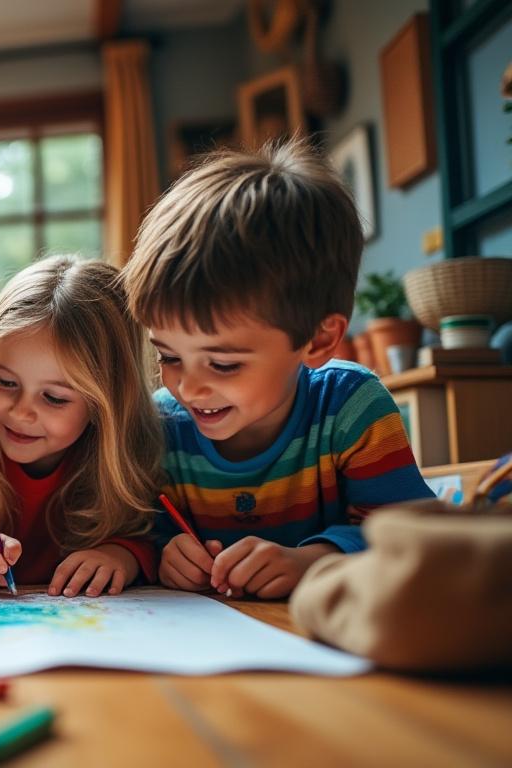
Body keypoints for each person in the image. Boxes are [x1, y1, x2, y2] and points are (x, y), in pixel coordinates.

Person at [119, 137, 434, 599]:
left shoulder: (350, 407)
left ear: (318, 340)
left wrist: (314, 560)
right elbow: (143, 528)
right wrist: (164, 551)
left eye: (223, 364)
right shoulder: (161, 424)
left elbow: (411, 533)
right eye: (168, 356)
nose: (188, 387)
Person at [0, 257, 162, 596]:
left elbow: (151, 538)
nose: (21, 413)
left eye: (54, 398)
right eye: (5, 382)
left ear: (105, 404)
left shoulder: (125, 449)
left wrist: (121, 555)